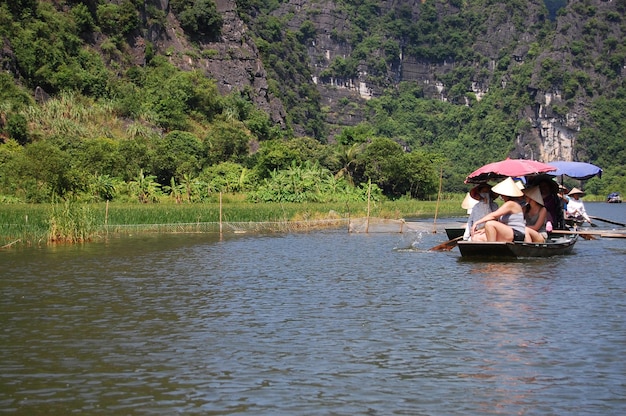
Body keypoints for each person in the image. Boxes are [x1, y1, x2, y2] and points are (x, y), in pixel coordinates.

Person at [471, 177, 527, 242]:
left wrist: (477, 223)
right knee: (477, 237)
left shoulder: (511, 204)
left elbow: (493, 216)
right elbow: (500, 222)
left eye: (502, 195)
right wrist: (484, 230)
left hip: (517, 233)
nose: (502, 197)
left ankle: (492, 247)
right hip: (507, 232)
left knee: (490, 224)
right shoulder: (506, 205)